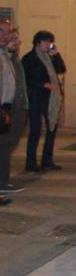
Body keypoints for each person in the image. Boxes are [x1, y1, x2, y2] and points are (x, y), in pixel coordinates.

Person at [21, 30, 66, 173]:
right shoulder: (29, 58)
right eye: (45, 41)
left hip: (49, 99)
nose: (48, 44)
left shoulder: (49, 57)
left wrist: (56, 54)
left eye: (50, 42)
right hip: (35, 98)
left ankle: (47, 160)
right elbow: (27, 79)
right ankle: (31, 162)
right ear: (38, 42)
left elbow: (61, 69)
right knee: (35, 130)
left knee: (51, 128)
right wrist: (44, 84)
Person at [0, 22, 29, 199]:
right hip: (4, 107)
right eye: (2, 32)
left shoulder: (5, 54)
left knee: (6, 146)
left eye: (8, 32)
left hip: (9, 106)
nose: (6, 35)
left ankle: (2, 182)